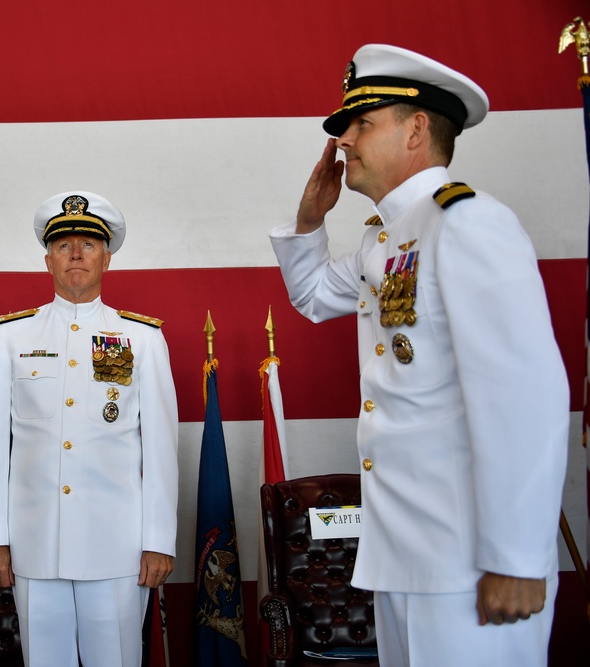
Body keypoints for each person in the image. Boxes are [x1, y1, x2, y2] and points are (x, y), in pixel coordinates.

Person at [268, 44, 568, 666]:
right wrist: (309, 219)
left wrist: (516, 558)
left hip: (471, 561)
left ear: (416, 128)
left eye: (361, 123)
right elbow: (314, 295)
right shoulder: (387, 238)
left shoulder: (466, 223)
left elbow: (525, 397)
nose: (343, 139)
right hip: (402, 557)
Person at [0, 191, 179, 667]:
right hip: (34, 545)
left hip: (118, 548)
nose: (75, 254)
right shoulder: (11, 338)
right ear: (47, 259)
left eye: (87, 244)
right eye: (64, 244)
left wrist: (158, 541)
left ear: (107, 258)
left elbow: (161, 449)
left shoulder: (141, 339)